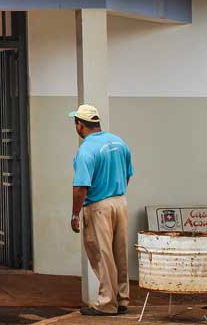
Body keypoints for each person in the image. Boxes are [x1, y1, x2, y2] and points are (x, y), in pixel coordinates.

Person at [69, 104, 134, 316]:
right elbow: (127, 174)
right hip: (120, 200)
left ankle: (107, 303)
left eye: (75, 122)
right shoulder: (119, 142)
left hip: (98, 206)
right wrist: (116, 193)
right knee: (120, 252)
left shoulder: (86, 150)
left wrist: (75, 214)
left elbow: (80, 187)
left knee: (101, 254)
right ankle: (122, 299)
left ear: (80, 125)